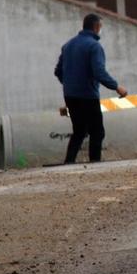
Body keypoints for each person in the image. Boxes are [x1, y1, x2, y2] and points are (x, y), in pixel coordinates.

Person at [54, 14, 127, 164]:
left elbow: (58, 71)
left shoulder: (68, 45)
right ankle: (95, 162)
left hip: (70, 95)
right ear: (96, 27)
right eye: (100, 27)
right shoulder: (94, 46)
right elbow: (99, 72)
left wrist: (70, 84)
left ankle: (69, 162)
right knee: (97, 131)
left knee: (79, 131)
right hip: (88, 95)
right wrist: (117, 87)